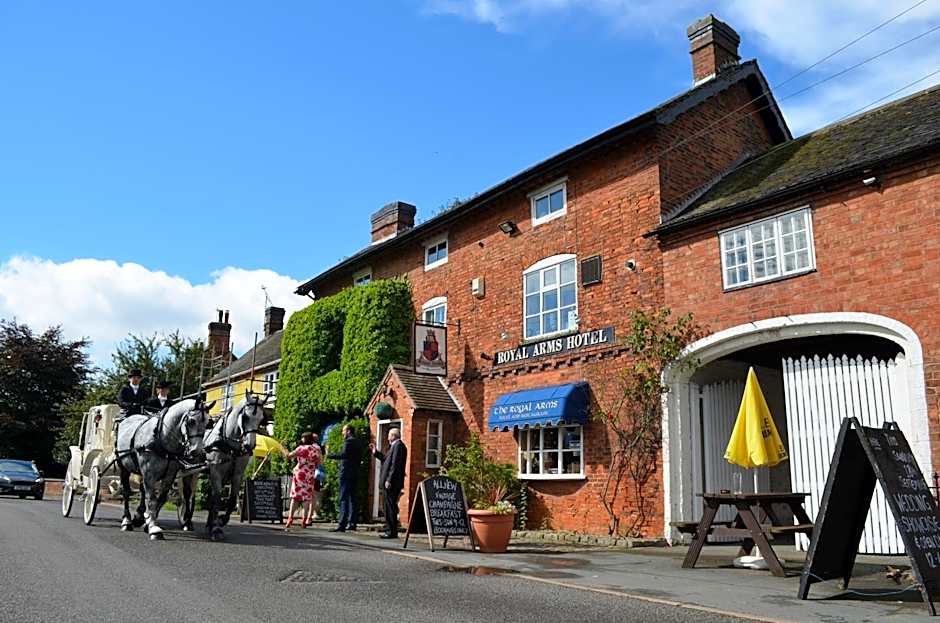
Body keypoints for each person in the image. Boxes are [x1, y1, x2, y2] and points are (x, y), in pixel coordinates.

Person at [369, 427, 407, 539]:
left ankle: (391, 531)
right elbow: (387, 460)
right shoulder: (394, 446)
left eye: (389, 435)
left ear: (393, 436)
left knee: (390, 506)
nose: (387, 437)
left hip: (392, 482)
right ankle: (390, 529)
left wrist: (389, 479)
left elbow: (395, 464)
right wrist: (376, 453)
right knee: (389, 506)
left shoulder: (398, 446)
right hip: (391, 481)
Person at [327, 424, 361, 532]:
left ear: (348, 431)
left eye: (343, 431)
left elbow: (344, 454)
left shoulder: (348, 442)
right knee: (352, 498)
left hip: (346, 473)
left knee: (343, 498)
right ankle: (352, 523)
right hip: (355, 473)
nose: (342, 433)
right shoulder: (358, 442)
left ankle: (342, 523)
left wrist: (329, 455)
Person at [285, 432, 321, 529]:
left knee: (295, 497)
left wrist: (284, 450)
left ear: (305, 439)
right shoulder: (316, 450)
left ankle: (290, 518)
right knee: (307, 498)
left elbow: (289, 456)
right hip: (309, 475)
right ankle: (304, 520)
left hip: (299, 474)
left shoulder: (300, 448)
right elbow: (319, 462)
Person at [303, 433, 323, 524]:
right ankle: (309, 517)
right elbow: (321, 462)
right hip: (315, 473)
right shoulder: (318, 448)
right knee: (313, 496)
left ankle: (306, 516)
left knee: (307, 495)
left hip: (307, 474)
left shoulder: (306, 448)